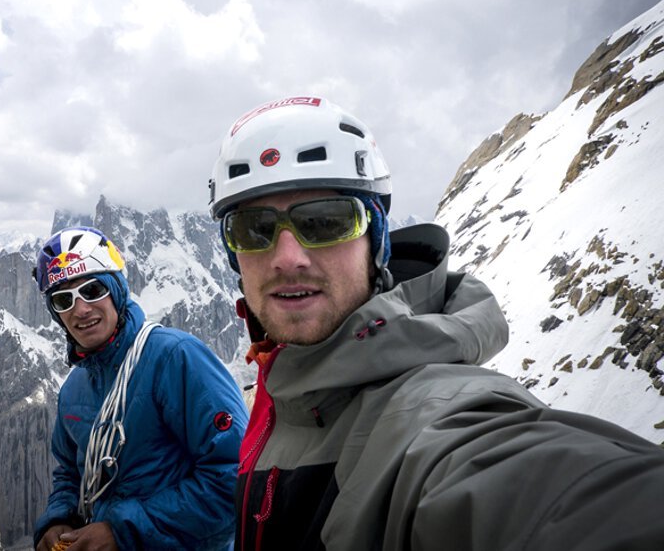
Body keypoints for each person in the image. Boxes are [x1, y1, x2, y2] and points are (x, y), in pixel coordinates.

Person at [208, 96, 664, 550]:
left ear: (376, 239)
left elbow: (536, 494)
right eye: (254, 229)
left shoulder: (435, 423)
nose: (287, 258)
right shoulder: (285, 390)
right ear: (234, 254)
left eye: (326, 221)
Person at [32, 226, 248, 551]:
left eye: (92, 291)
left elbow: (234, 476)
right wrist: (58, 519)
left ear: (116, 290)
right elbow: (70, 471)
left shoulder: (175, 357)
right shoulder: (74, 388)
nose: (80, 309)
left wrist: (123, 531)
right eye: (64, 300)